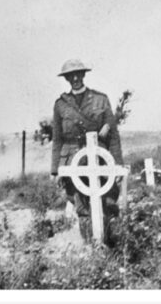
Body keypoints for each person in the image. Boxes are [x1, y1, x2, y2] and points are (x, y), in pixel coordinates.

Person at [50, 59, 123, 245]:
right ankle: (90, 247)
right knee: (81, 206)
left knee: (106, 203)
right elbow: (57, 139)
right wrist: (55, 170)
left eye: (78, 74)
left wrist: (118, 165)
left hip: (99, 160)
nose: (75, 78)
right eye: (70, 76)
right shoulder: (61, 105)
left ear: (84, 75)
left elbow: (113, 136)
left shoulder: (100, 99)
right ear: (66, 78)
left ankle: (108, 245)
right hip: (73, 162)